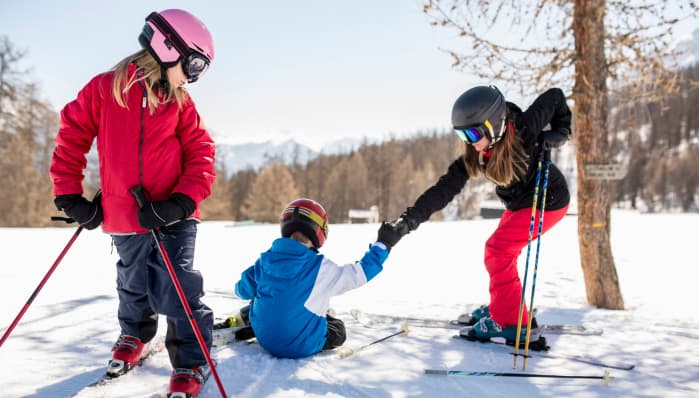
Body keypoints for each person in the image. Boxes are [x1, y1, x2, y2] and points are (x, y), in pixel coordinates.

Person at [50, 9, 216, 397]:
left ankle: (191, 359)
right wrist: (69, 193)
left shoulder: (179, 102)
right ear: (167, 46)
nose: (193, 77)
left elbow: (202, 153)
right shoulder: (105, 89)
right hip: (125, 213)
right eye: (194, 64)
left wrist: (182, 200)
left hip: (173, 214)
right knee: (133, 281)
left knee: (178, 288)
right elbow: (72, 134)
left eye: (200, 70)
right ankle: (134, 334)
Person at [386, 85, 572, 346]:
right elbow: (444, 189)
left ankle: (509, 323)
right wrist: (409, 220)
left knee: (498, 251)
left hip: (547, 201)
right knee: (499, 252)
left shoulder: (525, 129)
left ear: (494, 124)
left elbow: (555, 96)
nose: (469, 140)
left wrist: (561, 133)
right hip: (520, 204)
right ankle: (504, 306)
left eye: (473, 132)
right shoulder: (477, 151)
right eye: (462, 134)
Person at [226, 198, 401, 359]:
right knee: (338, 329)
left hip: (265, 338)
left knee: (262, 297)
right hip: (299, 346)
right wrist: (383, 245)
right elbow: (360, 273)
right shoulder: (321, 268)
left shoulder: (265, 261)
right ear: (320, 230)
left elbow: (242, 290)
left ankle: (251, 322)